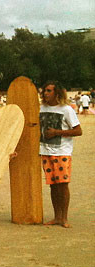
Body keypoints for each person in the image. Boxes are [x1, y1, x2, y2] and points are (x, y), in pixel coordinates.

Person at [39, 81, 82, 228]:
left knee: (63, 185)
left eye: (49, 91)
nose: (46, 93)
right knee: (53, 186)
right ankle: (56, 216)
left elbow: (78, 131)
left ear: (57, 93)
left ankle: (64, 217)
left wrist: (57, 132)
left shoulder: (66, 110)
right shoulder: (40, 108)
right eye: (45, 90)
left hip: (62, 152)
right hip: (45, 151)